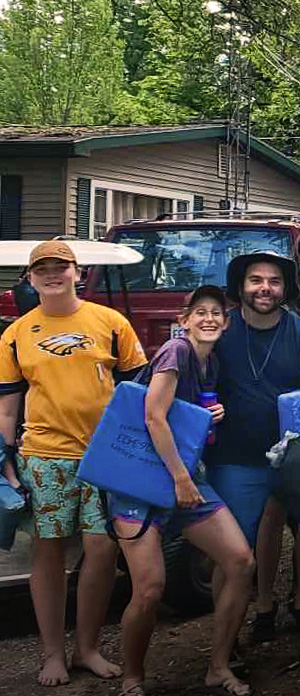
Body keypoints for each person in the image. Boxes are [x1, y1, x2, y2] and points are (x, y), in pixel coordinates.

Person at [0, 240, 148, 687]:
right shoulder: (16, 333)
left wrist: (136, 451)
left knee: (102, 550)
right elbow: (8, 407)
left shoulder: (111, 322)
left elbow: (136, 393)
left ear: (77, 272)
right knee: (49, 551)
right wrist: (5, 464)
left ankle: (86, 648)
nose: (52, 275)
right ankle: (52, 653)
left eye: (60, 267)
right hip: (45, 456)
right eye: (41, 269)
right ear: (29, 279)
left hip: (103, 455)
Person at [110, 286, 256, 696]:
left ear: (226, 324)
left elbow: (181, 415)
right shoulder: (177, 351)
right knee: (151, 587)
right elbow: (154, 417)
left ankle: (218, 666)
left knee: (241, 561)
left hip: (187, 478)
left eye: (217, 313)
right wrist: (180, 478)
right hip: (143, 482)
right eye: (200, 312)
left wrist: (212, 416)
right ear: (185, 318)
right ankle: (132, 678)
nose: (209, 318)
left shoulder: (211, 364)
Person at [202, 250, 300, 644]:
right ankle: (226, 643)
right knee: (231, 554)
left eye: (274, 281)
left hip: (295, 459)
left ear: (285, 288)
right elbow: (189, 383)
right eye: (256, 280)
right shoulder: (218, 331)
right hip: (235, 460)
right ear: (240, 286)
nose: (264, 288)